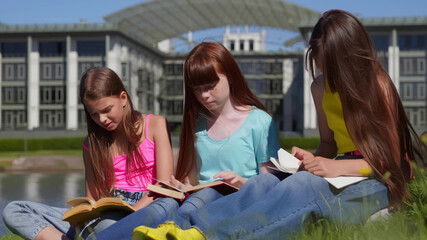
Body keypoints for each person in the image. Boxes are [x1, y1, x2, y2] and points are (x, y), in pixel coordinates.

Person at [134, 9, 421, 240]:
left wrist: (334, 166)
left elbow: (391, 161)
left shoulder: (377, 85)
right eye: (320, 67)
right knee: (265, 182)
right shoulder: (320, 86)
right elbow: (329, 144)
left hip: (378, 180)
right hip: (340, 172)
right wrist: (312, 158)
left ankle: (207, 235)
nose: (325, 75)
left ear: (350, 59)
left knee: (303, 188)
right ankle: (180, 226)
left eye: (332, 69)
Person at [93, 41, 280, 240]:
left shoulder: (259, 121)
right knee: (164, 204)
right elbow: (191, 181)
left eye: (211, 86)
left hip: (239, 203)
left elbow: (268, 186)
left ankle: (173, 231)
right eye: (197, 90)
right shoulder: (197, 124)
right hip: (198, 203)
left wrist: (241, 183)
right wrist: (180, 187)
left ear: (231, 76)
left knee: (206, 195)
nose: (205, 95)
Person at [2, 67, 174, 240]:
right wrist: (80, 215)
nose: (102, 120)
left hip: (147, 207)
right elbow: (91, 198)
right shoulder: (92, 144)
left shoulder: (155, 125)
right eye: (94, 114)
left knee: (107, 226)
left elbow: (164, 185)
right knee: (14, 210)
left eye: (107, 110)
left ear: (123, 98)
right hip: (108, 210)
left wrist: (133, 211)